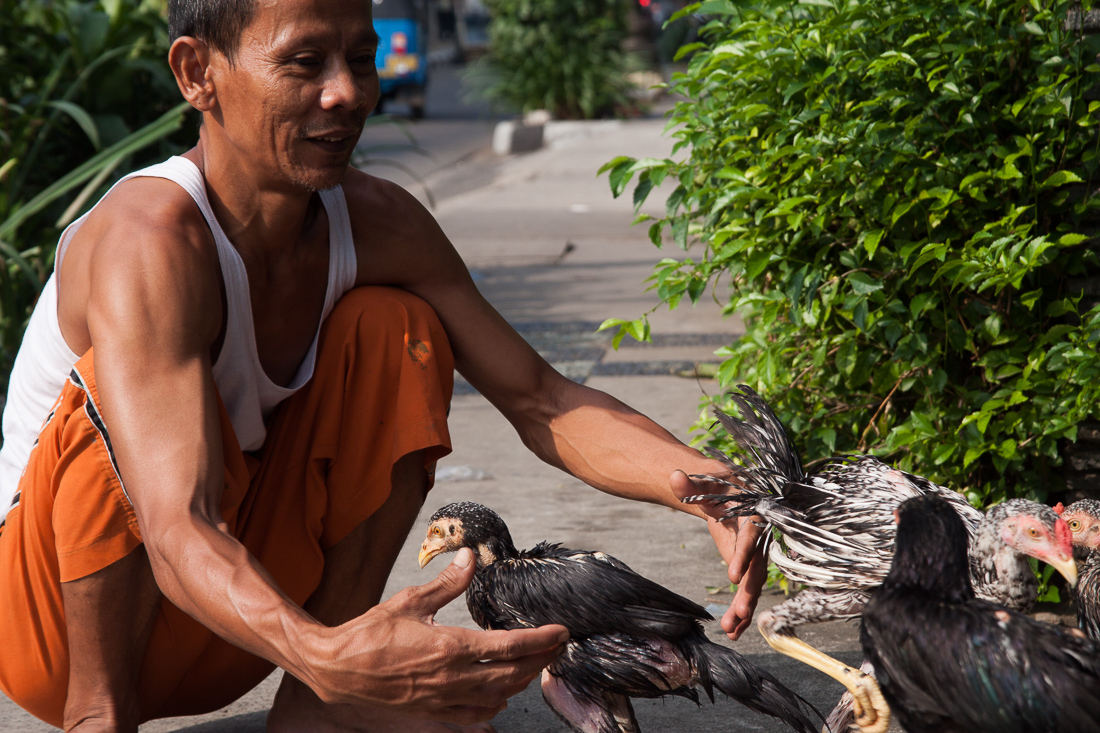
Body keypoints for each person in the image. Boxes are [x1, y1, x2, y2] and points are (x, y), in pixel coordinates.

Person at [0, 0, 765, 731]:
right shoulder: (150, 239)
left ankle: (320, 704)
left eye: (360, 60)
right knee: (108, 390)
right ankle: (98, 718)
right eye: (304, 61)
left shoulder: (379, 224)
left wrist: (708, 488)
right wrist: (330, 651)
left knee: (400, 329)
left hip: (235, 630)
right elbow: (178, 526)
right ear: (197, 72)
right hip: (53, 635)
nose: (345, 93)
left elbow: (540, 397)